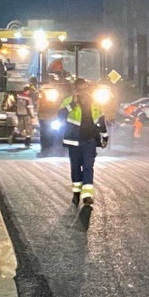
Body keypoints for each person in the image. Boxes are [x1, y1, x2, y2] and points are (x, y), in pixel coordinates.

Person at [58, 78, 109, 206]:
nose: (83, 92)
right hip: (73, 141)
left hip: (89, 141)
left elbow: (101, 122)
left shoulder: (96, 103)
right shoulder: (68, 102)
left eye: (85, 89)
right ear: (75, 90)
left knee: (88, 167)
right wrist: (73, 104)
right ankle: (76, 193)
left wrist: (105, 137)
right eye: (80, 89)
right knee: (75, 168)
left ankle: (87, 196)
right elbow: (60, 116)